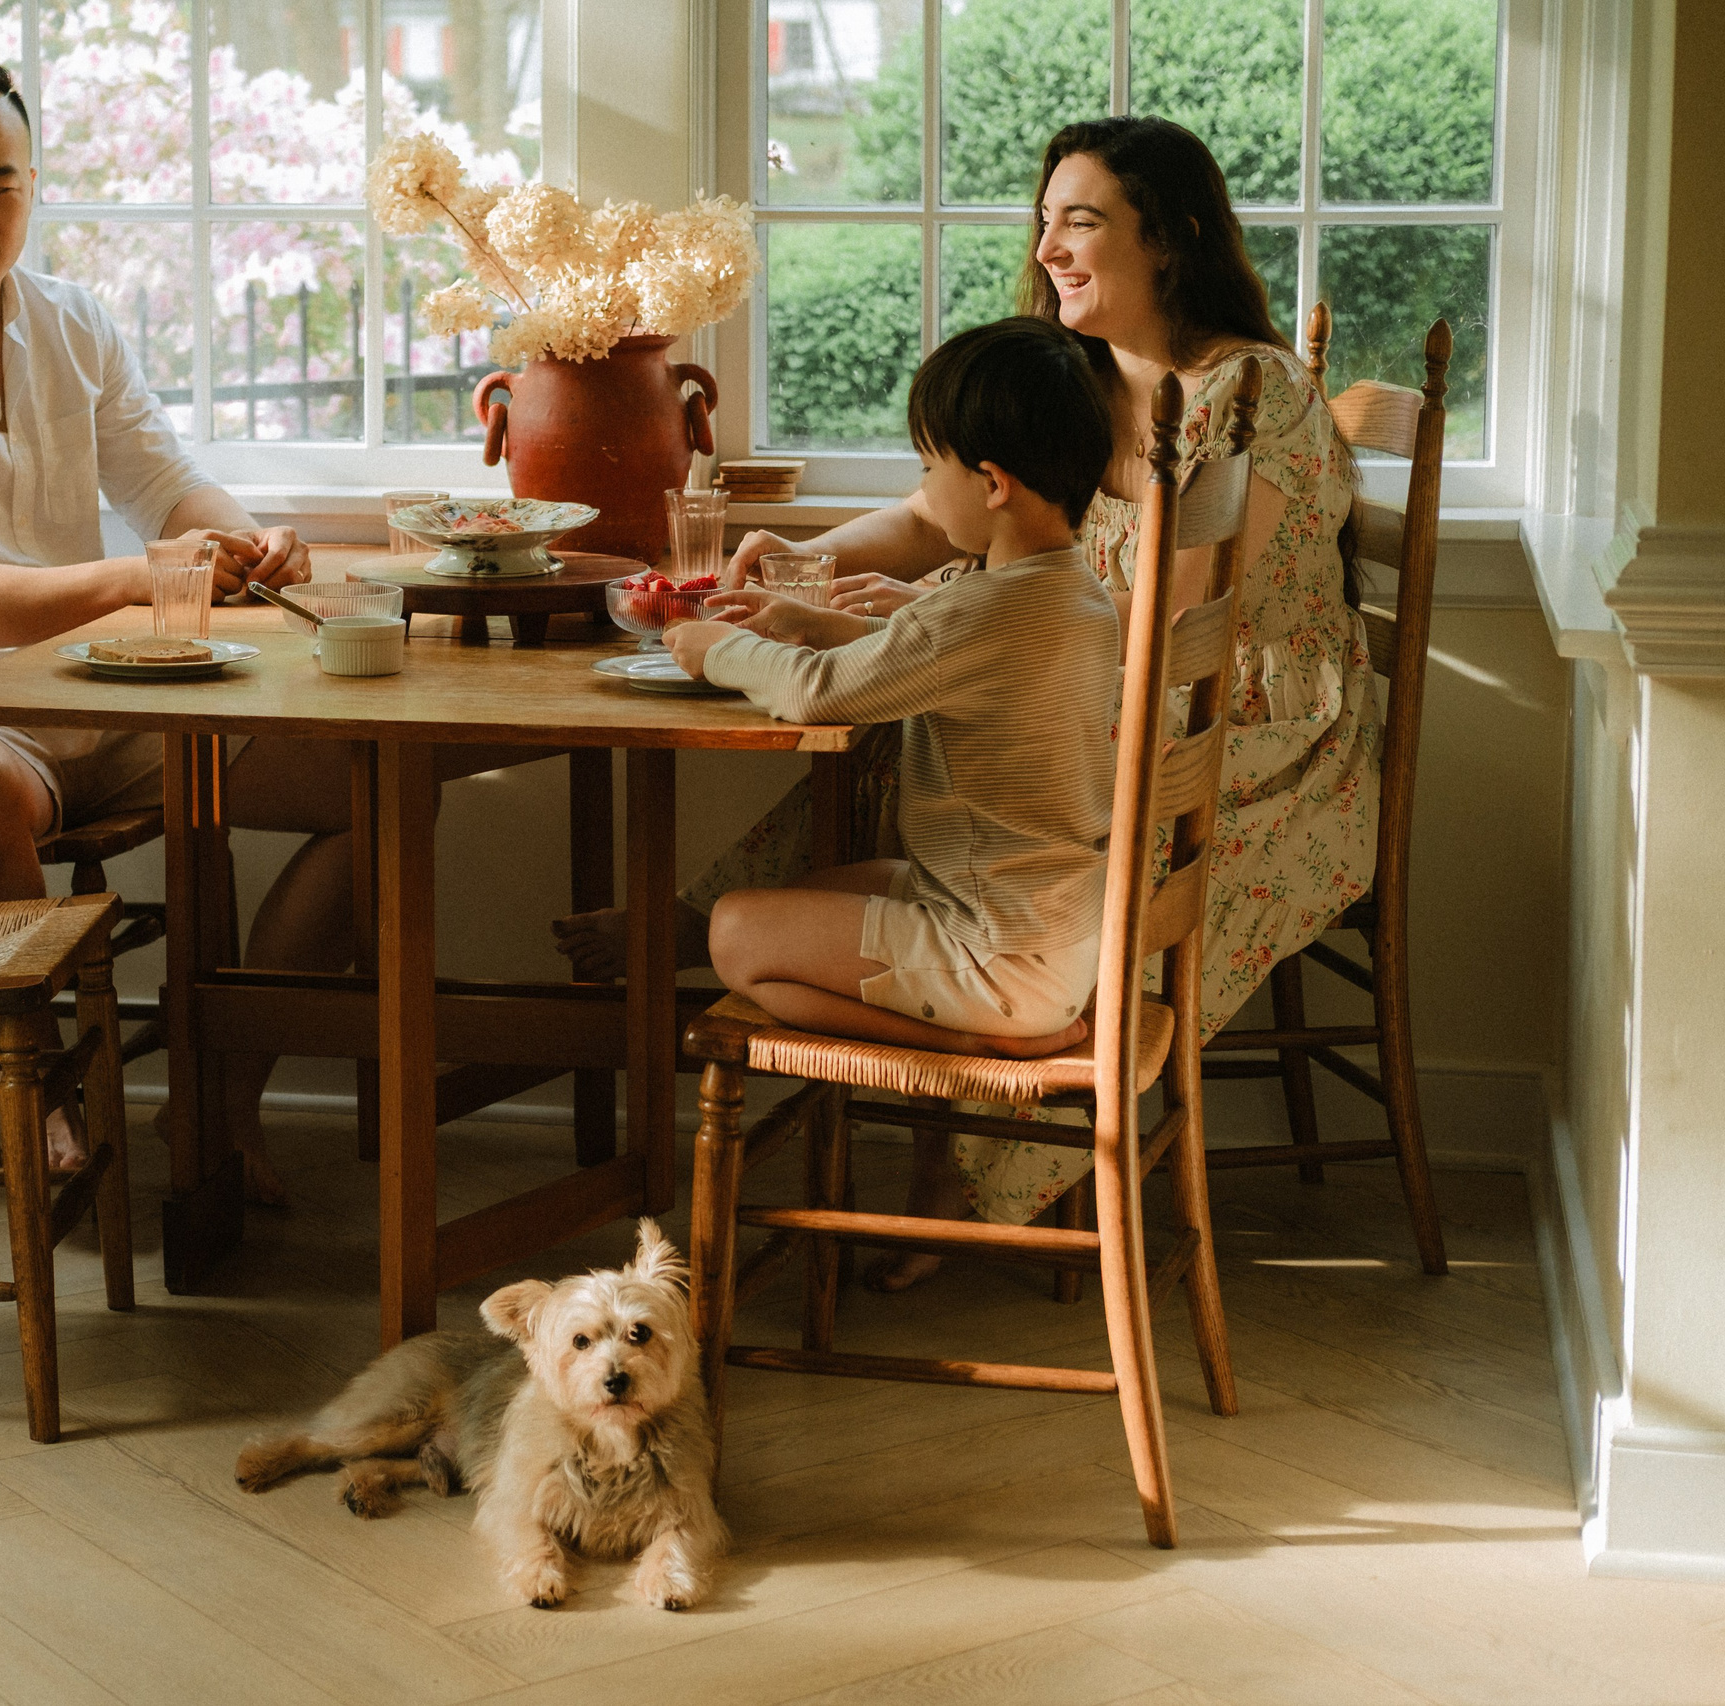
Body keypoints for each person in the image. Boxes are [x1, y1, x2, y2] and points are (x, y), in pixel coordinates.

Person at [565, 115, 1379, 1274]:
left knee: (953, 740)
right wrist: (793, 569)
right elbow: (931, 519)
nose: (1048, 245)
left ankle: (950, 1135)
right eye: (1044, 220)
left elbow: (1172, 636)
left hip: (1254, 731)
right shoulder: (1071, 380)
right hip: (1108, 687)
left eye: (1081, 221)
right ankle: (744, 938)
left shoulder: (1243, 395)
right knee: (922, 735)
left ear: (1174, 237)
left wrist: (901, 633)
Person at [0, 58, 529, 1200]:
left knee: (373, 780)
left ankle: (217, 1102)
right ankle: (51, 1108)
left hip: (97, 693)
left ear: (33, 185)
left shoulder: (70, 320)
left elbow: (169, 484)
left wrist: (250, 543)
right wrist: (138, 582)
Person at [669, 317, 1117, 1070]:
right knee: (817, 887)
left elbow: (816, 694)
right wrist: (816, 619)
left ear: (993, 485)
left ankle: (971, 1041)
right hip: (1057, 934)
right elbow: (934, 659)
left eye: (926, 469)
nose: (921, 491)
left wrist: (722, 651)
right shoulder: (1075, 594)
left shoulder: (977, 609)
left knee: (735, 929)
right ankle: (989, 1020)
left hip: (997, 961)